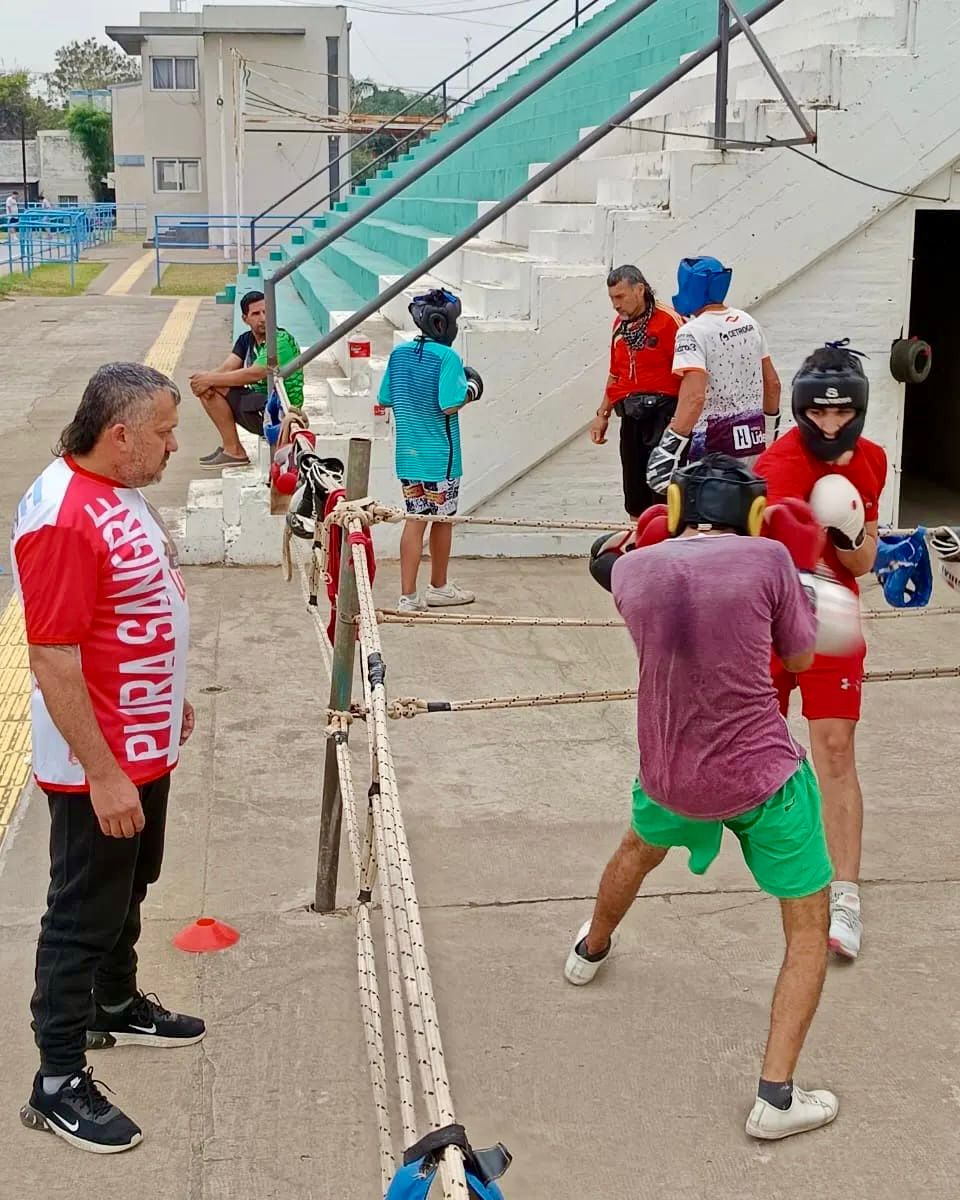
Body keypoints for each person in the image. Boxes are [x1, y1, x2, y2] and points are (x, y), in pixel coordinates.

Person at [566, 454, 841, 1140]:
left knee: (636, 848)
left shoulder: (632, 572)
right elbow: (803, 661)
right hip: (761, 776)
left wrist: (646, 530)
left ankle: (589, 951)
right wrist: (800, 587)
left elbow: (607, 555)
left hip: (670, 770)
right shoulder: (772, 559)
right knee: (808, 926)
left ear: (681, 508)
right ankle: (776, 1101)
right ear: (752, 514)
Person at [11, 362, 204, 1154]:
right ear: (118, 435)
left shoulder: (114, 490)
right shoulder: (61, 516)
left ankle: (114, 1002)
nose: (173, 445)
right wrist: (102, 771)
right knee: (81, 910)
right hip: (102, 758)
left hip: (144, 736)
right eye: (163, 432)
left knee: (135, 882)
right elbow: (53, 655)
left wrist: (170, 689)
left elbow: (135, 606)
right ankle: (57, 1076)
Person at [755, 340, 888, 961]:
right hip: (776, 619)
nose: (829, 424)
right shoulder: (772, 465)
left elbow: (863, 562)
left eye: (841, 413)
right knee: (755, 746)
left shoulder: (874, 461)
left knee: (836, 749)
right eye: (817, 413)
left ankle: (846, 896)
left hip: (834, 616)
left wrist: (853, 530)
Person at [378, 287, 483, 612]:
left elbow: (385, 398)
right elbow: (449, 404)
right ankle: (438, 586)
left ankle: (407, 597)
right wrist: (471, 388)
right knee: (443, 520)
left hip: (408, 456)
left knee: (414, 520)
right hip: (441, 458)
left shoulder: (399, 354)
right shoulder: (447, 357)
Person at [646, 256, 781, 494]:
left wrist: (670, 448)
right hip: (753, 438)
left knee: (709, 519)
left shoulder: (692, 332)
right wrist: (768, 436)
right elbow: (773, 384)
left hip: (713, 447)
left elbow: (694, 397)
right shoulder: (748, 322)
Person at [589, 265, 682, 517]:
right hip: (631, 416)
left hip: (665, 417)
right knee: (635, 493)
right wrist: (602, 414)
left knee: (663, 494)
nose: (615, 305)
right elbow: (615, 373)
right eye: (611, 298)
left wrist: (681, 422)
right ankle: (639, 547)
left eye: (620, 297)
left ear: (639, 290)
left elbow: (690, 375)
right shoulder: (620, 326)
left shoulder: (670, 321)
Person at [189, 290, 304, 468]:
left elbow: (255, 372)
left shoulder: (280, 341)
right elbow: (226, 369)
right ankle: (232, 449)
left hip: (281, 413)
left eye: (266, 312)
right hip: (260, 407)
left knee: (213, 384)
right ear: (245, 319)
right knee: (210, 388)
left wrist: (208, 379)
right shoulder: (246, 340)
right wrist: (203, 380)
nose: (263, 318)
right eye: (256, 314)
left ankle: (234, 451)